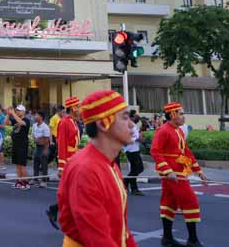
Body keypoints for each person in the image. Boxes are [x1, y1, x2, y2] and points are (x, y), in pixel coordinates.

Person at [57, 90, 137, 247]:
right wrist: (61, 165)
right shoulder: (85, 170)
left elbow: (122, 230)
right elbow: (98, 240)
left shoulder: (110, 165)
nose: (132, 124)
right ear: (103, 124)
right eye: (125, 117)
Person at [151, 102, 208, 247]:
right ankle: (193, 240)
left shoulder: (179, 131)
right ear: (172, 115)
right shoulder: (163, 131)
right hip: (172, 173)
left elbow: (185, 152)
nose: (184, 117)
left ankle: (167, 238)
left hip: (180, 171)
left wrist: (198, 171)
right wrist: (167, 170)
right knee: (190, 201)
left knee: (169, 202)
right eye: (181, 113)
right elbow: (155, 151)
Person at [46, 97, 81, 229]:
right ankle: (61, 213)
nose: (80, 109)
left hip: (75, 158)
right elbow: (62, 145)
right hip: (68, 161)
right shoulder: (64, 123)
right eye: (78, 106)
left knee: (74, 191)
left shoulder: (73, 121)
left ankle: (55, 210)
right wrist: (61, 167)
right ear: (73, 108)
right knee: (73, 191)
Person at [6, 104, 30, 190]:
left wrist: (13, 113)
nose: (17, 112)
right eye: (16, 110)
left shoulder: (26, 120)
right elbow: (6, 123)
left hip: (22, 145)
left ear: (23, 111)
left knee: (22, 164)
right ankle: (19, 181)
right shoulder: (15, 119)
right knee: (17, 164)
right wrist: (8, 114)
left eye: (19, 110)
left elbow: (21, 123)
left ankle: (25, 182)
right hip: (15, 144)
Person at [123, 110, 145, 196]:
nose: (137, 117)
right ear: (131, 117)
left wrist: (140, 138)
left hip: (135, 149)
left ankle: (127, 182)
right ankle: (133, 188)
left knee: (138, 168)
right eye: (135, 115)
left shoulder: (133, 125)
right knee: (136, 168)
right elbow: (124, 139)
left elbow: (136, 135)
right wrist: (137, 139)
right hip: (130, 150)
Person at [32, 111, 51, 188]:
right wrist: (38, 140)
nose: (35, 116)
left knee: (44, 164)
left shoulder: (45, 127)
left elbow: (46, 139)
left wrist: (46, 149)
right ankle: (35, 179)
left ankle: (44, 181)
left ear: (41, 117)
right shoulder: (34, 125)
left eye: (37, 115)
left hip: (44, 147)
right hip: (37, 146)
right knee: (35, 163)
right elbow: (33, 135)